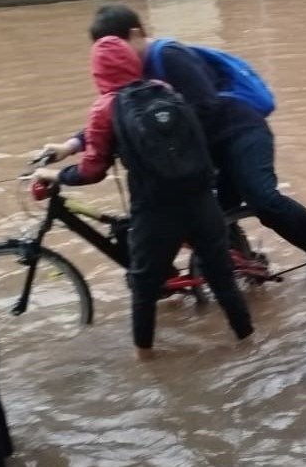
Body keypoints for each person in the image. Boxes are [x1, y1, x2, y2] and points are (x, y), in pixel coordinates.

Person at [46, 5, 306, 270]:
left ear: (137, 34)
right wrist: (71, 145)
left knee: (262, 198)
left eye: (116, 46)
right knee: (208, 218)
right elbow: (115, 114)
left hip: (240, 132)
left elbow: (206, 107)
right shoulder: (128, 74)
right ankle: (246, 265)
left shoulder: (169, 56)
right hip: (209, 149)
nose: (111, 57)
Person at [33, 37, 253, 360]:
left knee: (144, 288)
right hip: (202, 200)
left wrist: (58, 175)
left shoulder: (105, 107)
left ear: (98, 74)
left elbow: (92, 170)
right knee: (222, 279)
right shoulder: (164, 90)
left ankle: (147, 363)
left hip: (156, 211)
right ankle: (249, 345)